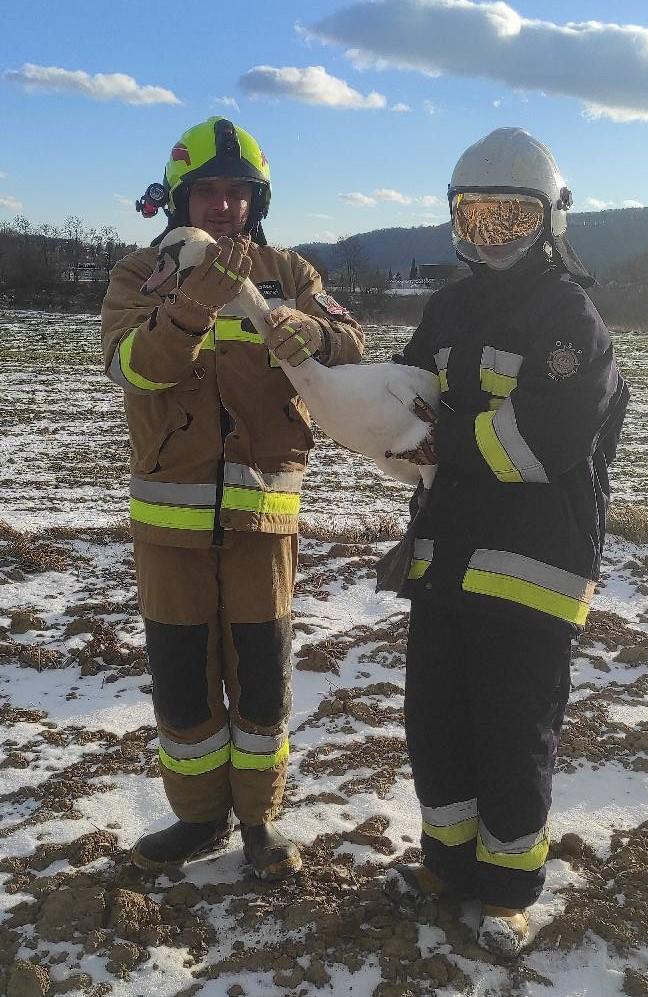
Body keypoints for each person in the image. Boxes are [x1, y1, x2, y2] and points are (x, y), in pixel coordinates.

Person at [385, 128, 628, 956]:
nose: (490, 234)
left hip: (531, 574)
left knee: (513, 733)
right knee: (437, 722)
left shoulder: (571, 319)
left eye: (510, 218)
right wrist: (335, 375)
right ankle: (446, 866)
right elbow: (407, 392)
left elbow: (539, 443)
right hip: (446, 561)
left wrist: (437, 441)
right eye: (475, 217)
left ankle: (510, 889)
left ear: (550, 220)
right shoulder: (449, 307)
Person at [101, 117, 364, 879]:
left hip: (264, 520)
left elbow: (351, 344)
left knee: (262, 677)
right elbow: (131, 368)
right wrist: (188, 310)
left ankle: (260, 821)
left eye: (236, 192)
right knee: (183, 683)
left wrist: (313, 334)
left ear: (257, 200)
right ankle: (196, 819)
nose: (222, 207)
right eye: (207, 192)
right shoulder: (138, 275)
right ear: (180, 199)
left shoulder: (291, 272)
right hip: (169, 525)